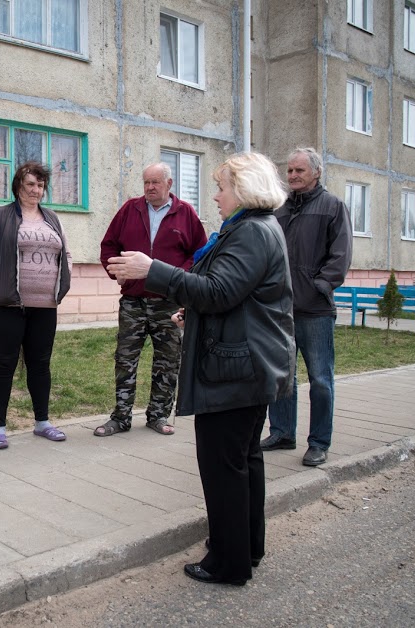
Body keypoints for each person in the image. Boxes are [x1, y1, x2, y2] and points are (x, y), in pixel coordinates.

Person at [107, 151, 295, 586]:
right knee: (243, 461)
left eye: (222, 188)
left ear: (244, 190)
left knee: (223, 467)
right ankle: (245, 546)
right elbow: (236, 297)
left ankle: (228, 563)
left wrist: (152, 269)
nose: (216, 196)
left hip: (236, 371)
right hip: (247, 362)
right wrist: (193, 313)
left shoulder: (250, 231)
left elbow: (219, 290)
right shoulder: (255, 228)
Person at [96, 163, 207, 437]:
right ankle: (120, 417)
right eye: (146, 182)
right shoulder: (130, 210)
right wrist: (116, 271)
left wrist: (177, 279)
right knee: (125, 359)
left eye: (155, 182)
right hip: (133, 301)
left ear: (169, 184)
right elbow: (109, 245)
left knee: (168, 361)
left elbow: (200, 253)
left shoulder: (185, 214)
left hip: (168, 301)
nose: (150, 187)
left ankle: (158, 416)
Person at [0, 161, 72, 450]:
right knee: (4, 363)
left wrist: (63, 282)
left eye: (40, 185)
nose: (35, 190)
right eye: (30, 184)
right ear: (18, 186)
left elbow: (67, 253)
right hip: (6, 305)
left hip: (45, 305)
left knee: (40, 364)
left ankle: (42, 422)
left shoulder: (52, 218)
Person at [262, 147, 353, 467]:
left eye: (299, 170)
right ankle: (283, 432)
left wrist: (321, 286)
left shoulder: (333, 207)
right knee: (281, 376)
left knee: (320, 379)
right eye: (289, 171)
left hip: (315, 310)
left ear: (316, 172)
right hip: (281, 309)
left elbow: (340, 255)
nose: (293, 176)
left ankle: (318, 442)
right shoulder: (280, 209)